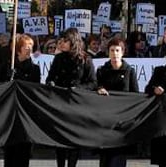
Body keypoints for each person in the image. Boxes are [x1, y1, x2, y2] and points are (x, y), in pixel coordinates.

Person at [45, 28, 96, 167]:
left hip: (76, 104)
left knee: (73, 139)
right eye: (61, 40)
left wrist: (78, 89)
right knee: (60, 139)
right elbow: (50, 78)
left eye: (65, 40)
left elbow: (92, 83)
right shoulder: (58, 58)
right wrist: (51, 83)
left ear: (73, 41)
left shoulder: (85, 59)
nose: (61, 43)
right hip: (60, 103)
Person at [96, 38, 139, 167]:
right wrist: (99, 89)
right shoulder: (101, 70)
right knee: (105, 153)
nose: (115, 53)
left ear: (122, 52)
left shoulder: (129, 71)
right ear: (108, 52)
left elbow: (135, 93)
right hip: (106, 117)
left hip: (122, 117)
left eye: (117, 50)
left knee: (119, 154)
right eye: (112, 50)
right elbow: (95, 87)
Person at [4, 34, 40, 167]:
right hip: (10, 111)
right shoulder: (9, 66)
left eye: (31, 46)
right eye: (26, 46)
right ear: (18, 49)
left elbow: (34, 89)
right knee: (10, 150)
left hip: (26, 111)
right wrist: (10, 77)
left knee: (23, 149)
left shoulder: (35, 69)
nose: (30, 49)